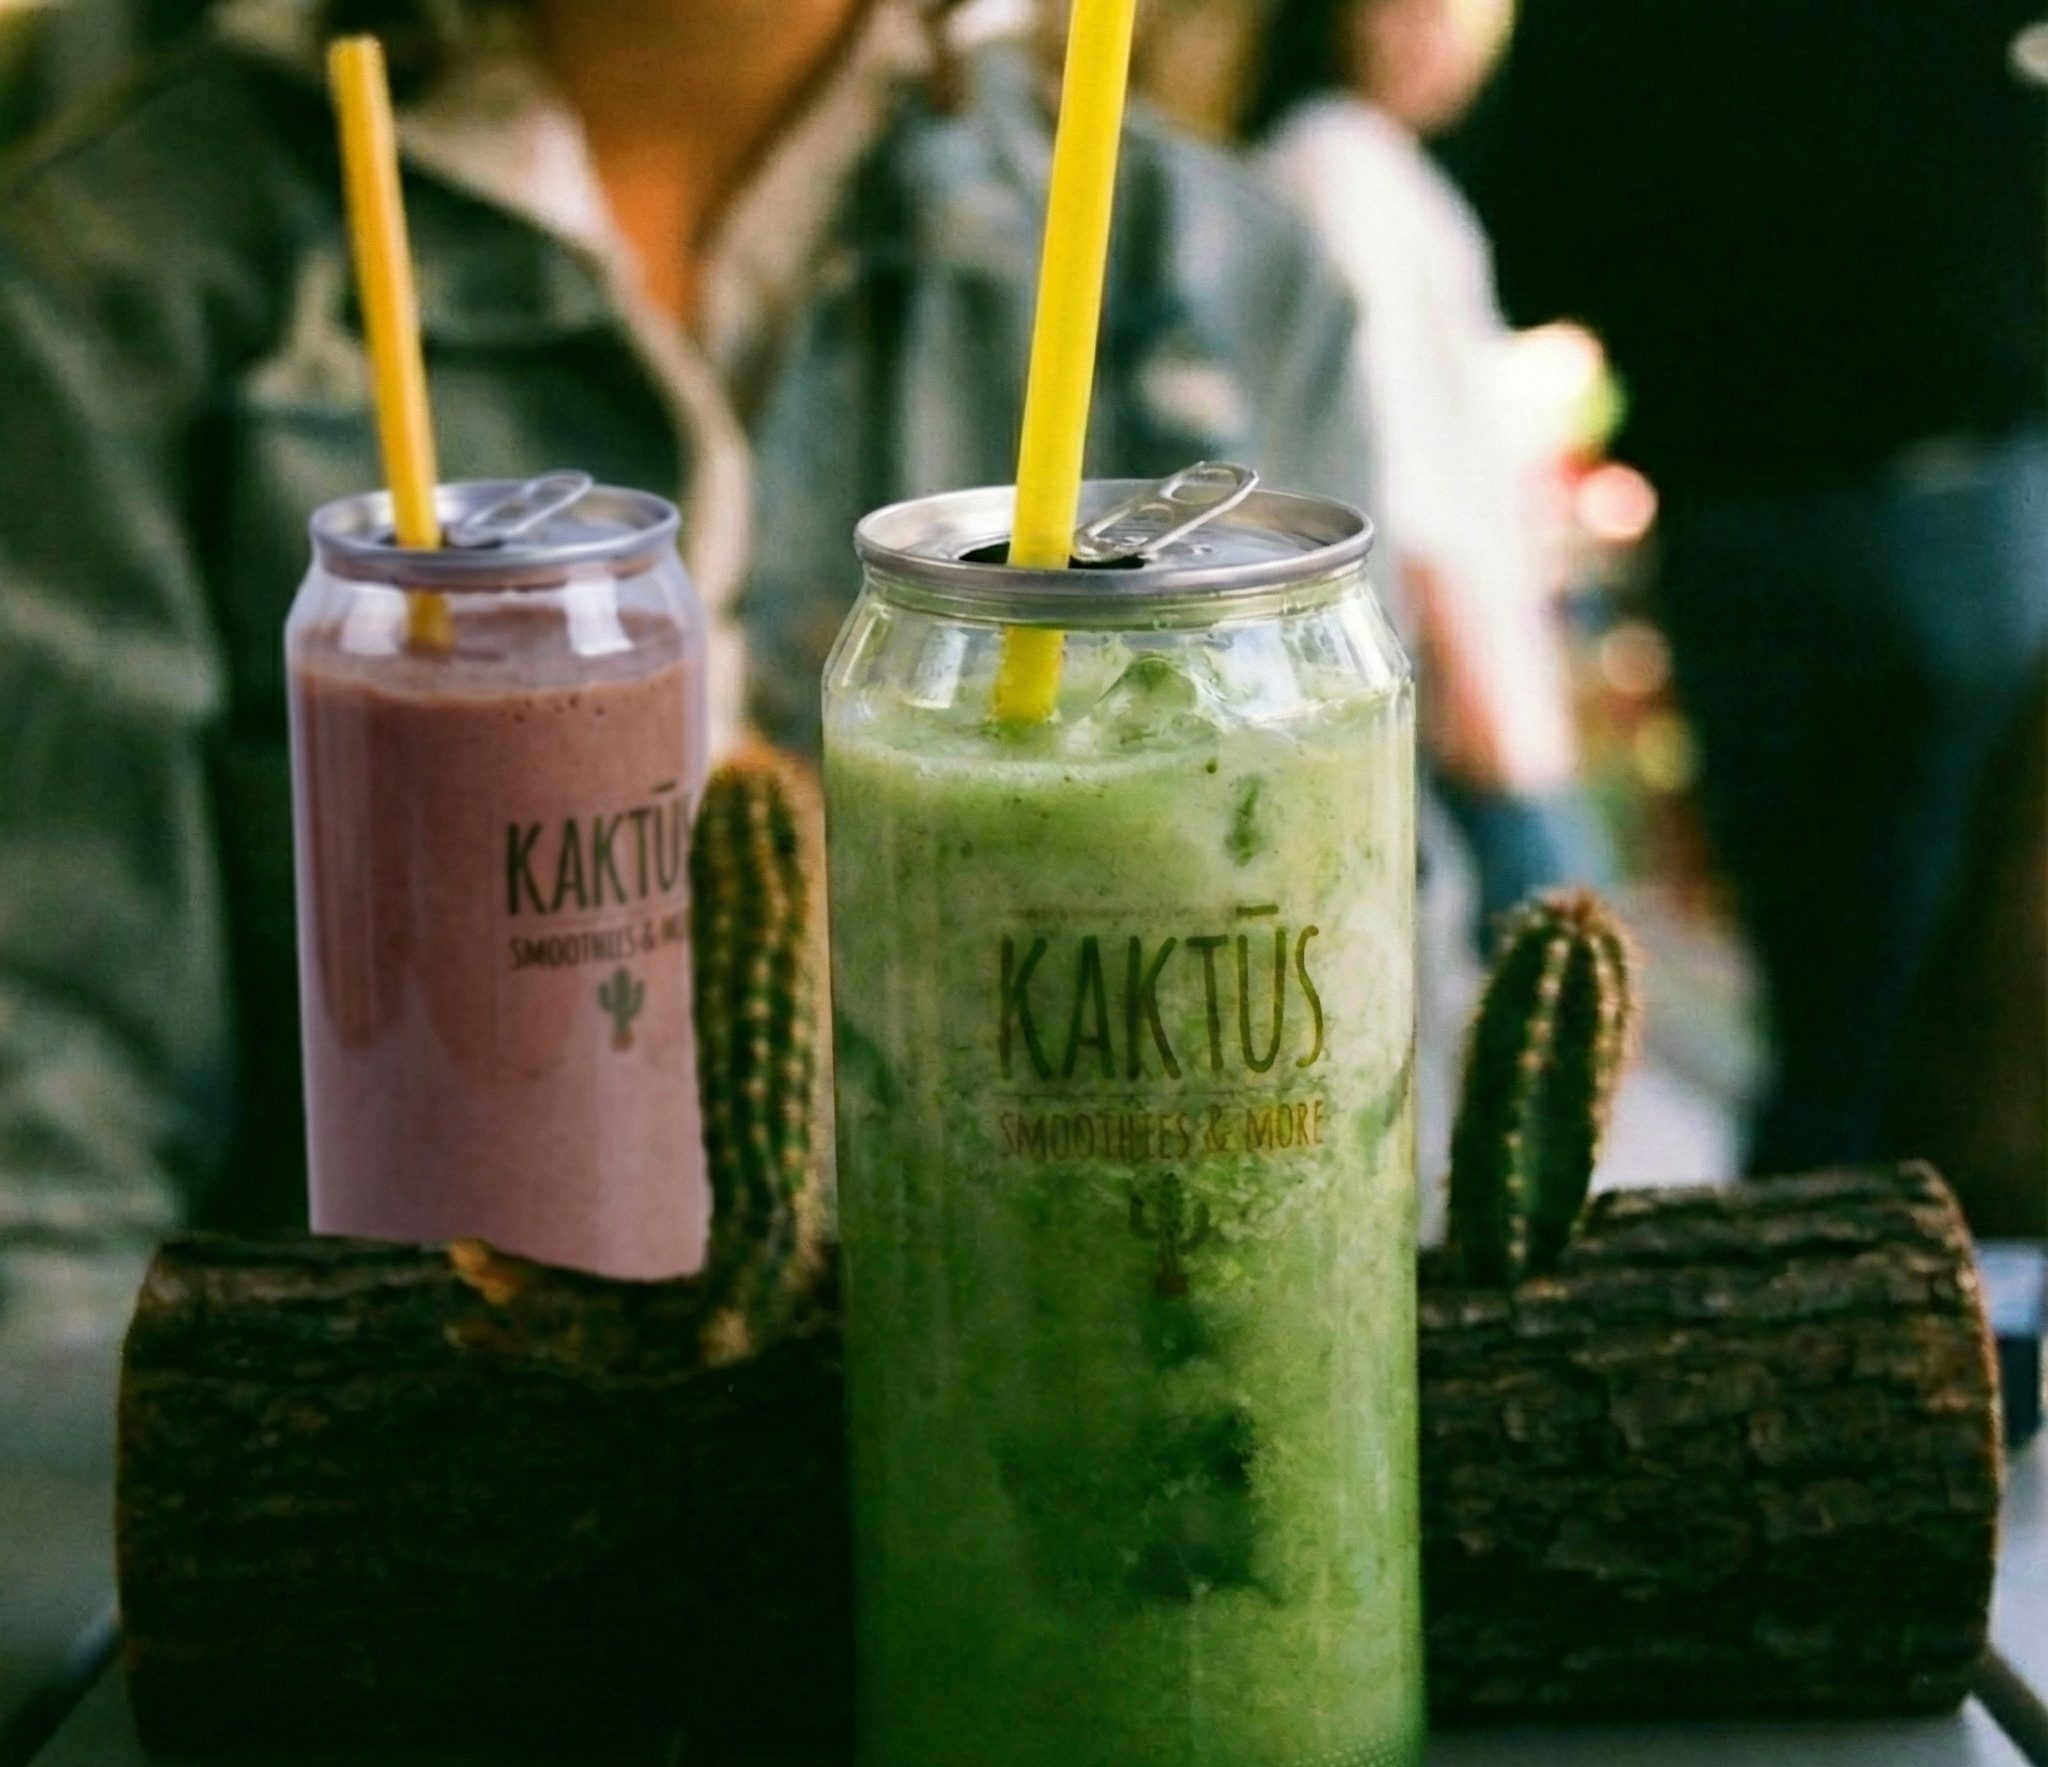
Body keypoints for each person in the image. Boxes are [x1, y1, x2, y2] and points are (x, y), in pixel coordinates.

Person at [0, 0, 1377, 1363]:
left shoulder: (1213, 282)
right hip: (391, 1502)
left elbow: (1350, 1101)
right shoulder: (114, 276)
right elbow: (50, 1148)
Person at [1461, 0, 2048, 1177]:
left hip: (1745, 522)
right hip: (1940, 507)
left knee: (1838, 1005)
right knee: (1952, 1013)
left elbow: (1528, 245)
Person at [1249, 0, 1606, 943]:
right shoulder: (1335, 164)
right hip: (1453, 700)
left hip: (1472, 687)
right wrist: (1484, 717)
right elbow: (1392, 465)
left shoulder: (1384, 169)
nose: (1440, 32)